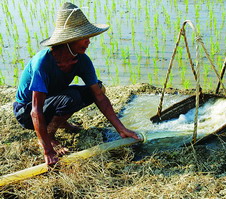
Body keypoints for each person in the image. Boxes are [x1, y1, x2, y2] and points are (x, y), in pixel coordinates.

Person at [13, 2, 140, 165]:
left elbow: (99, 96)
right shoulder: (42, 63)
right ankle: (50, 136)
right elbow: (35, 111)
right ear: (68, 41)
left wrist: (121, 129)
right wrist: (48, 150)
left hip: (50, 101)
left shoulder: (81, 60)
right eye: (83, 38)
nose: (88, 42)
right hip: (26, 111)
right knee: (70, 98)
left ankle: (59, 122)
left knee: (95, 89)